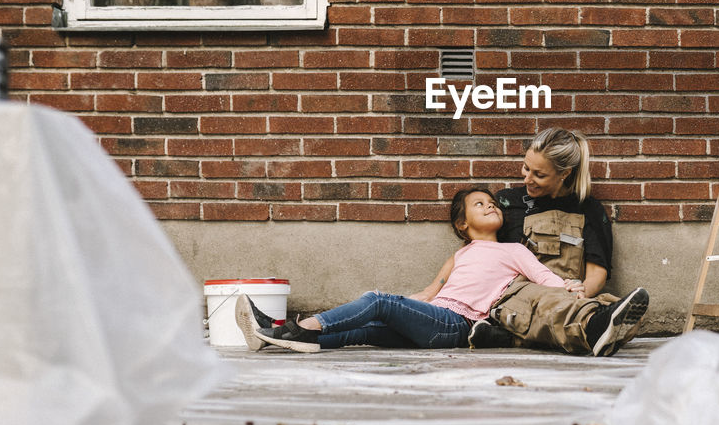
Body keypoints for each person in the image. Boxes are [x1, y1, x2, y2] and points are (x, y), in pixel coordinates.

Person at [236, 186, 644, 356]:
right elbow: (428, 295)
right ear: (462, 225)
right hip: (436, 315)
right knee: (364, 329)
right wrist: (396, 307)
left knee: (378, 301)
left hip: (457, 325)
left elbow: (547, 279)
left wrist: (574, 288)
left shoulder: (514, 250)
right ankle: (278, 340)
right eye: (479, 205)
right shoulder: (459, 256)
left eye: (493, 204)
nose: (490, 207)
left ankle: (294, 327)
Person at [468, 127, 650, 356]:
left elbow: (597, 273)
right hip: (519, 295)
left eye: (539, 175)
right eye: (526, 168)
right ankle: (591, 331)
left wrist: (582, 290)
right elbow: (479, 253)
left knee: (624, 314)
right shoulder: (506, 203)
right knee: (550, 301)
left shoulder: (590, 210)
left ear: (564, 173)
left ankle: (512, 338)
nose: (527, 178)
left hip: (567, 293)